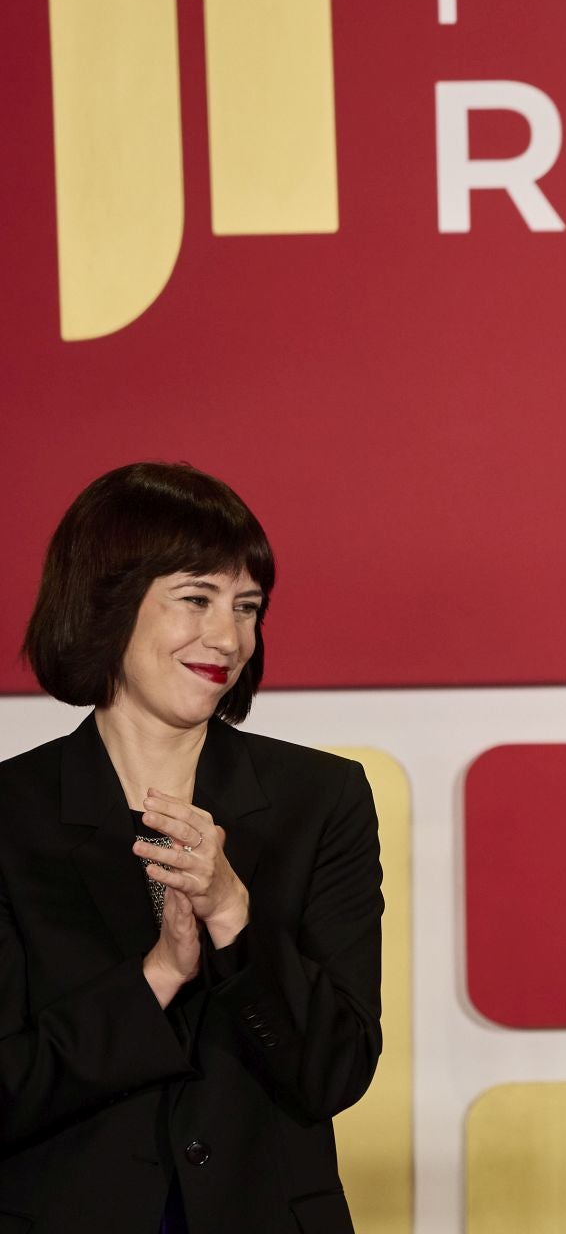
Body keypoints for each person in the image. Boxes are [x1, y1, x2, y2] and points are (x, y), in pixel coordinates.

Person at [0, 463, 382, 1233]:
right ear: (108, 604)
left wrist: (236, 918)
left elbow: (336, 1071)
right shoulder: (11, 816)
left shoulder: (323, 799)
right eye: (196, 600)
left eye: (247, 607)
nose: (229, 638)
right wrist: (159, 975)